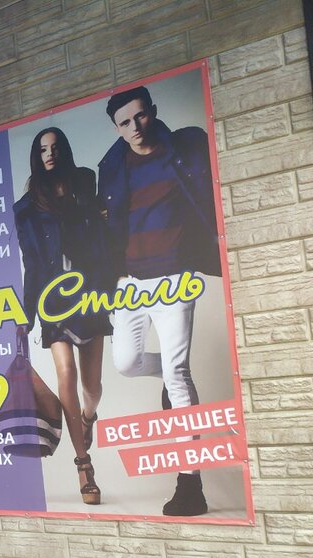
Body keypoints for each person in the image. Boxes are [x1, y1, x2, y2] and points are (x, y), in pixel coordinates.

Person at [98, 86, 221, 516]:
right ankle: (171, 375)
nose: (135, 127)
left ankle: (191, 484)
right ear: (117, 127)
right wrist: (113, 277)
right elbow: (107, 227)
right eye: (124, 122)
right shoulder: (111, 166)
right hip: (131, 281)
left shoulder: (185, 146)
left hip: (175, 275)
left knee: (178, 372)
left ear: (152, 111)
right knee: (127, 362)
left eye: (140, 116)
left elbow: (209, 198)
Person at [15, 127, 113, 505]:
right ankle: (84, 465)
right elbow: (32, 264)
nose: (49, 154)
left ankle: (88, 416)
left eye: (54, 148)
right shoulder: (27, 207)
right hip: (53, 300)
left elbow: (101, 236)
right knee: (66, 374)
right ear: (37, 157)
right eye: (43, 149)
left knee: (93, 386)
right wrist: (26, 313)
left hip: (88, 294)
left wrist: (108, 283)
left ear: (64, 150)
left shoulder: (84, 183)